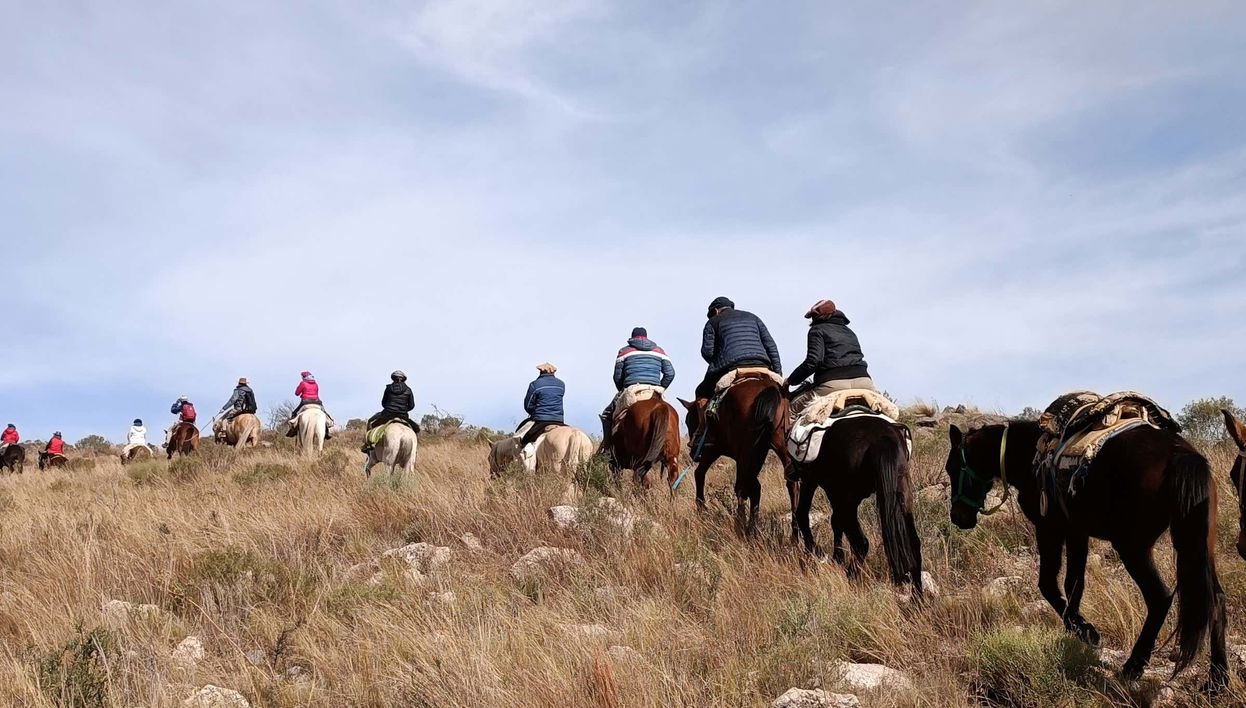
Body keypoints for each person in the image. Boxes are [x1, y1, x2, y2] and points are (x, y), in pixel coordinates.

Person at [786, 299, 876, 416]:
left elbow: (813, 361)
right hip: (864, 383)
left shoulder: (816, 330)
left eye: (813, 317)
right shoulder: (850, 332)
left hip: (832, 384)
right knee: (884, 410)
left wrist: (790, 381)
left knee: (791, 410)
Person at [600, 327, 675, 449]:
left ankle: (606, 448)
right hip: (655, 390)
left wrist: (622, 390)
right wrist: (661, 387)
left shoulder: (624, 351)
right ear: (647, 337)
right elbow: (670, 374)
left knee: (607, 415)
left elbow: (617, 377)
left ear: (632, 337)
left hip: (632, 389)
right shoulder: (660, 351)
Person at [695, 296, 782, 401]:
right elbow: (771, 347)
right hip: (762, 365)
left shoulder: (713, 321)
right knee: (785, 396)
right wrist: (778, 373)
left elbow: (707, 352)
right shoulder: (753, 317)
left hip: (731, 367)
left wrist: (719, 362)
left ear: (716, 311)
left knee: (701, 392)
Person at [515, 363, 566, 455]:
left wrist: (533, 412)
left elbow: (528, 405)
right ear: (553, 372)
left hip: (540, 420)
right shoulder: (561, 384)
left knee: (524, 440)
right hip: (559, 420)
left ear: (540, 371)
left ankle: (527, 461)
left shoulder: (535, 385)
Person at [362, 371, 416, 452]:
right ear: (404, 379)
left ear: (393, 378)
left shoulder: (388, 388)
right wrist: (403, 409)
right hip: (403, 415)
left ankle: (368, 446)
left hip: (387, 414)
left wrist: (389, 407)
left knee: (370, 421)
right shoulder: (408, 390)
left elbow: (383, 403)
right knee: (415, 428)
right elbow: (411, 405)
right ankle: (415, 449)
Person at [286, 371, 333, 439]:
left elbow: (297, 393)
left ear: (303, 377)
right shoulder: (315, 384)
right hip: (317, 402)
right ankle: (327, 431)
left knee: (294, 413)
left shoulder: (303, 383)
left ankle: (293, 430)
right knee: (325, 414)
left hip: (305, 402)